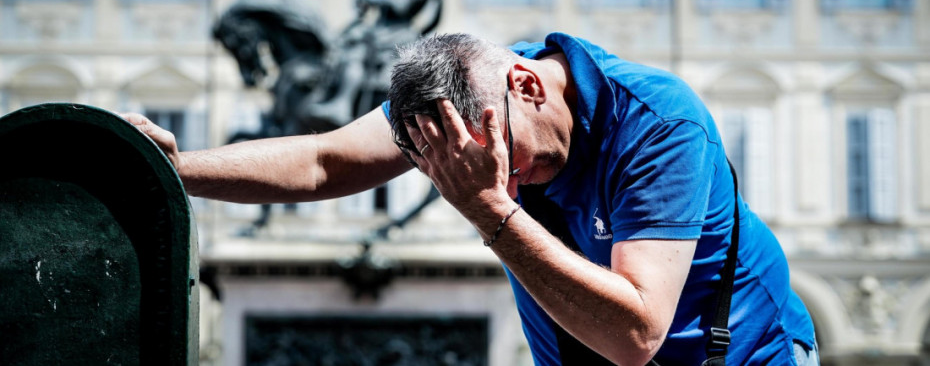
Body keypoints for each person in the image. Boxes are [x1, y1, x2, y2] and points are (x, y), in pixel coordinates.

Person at [124, 32, 818, 365]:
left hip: (742, 354)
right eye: (465, 172)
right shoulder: (461, 107)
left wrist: (488, 209)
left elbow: (636, 332)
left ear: (530, 85)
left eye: (503, 159)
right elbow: (321, 160)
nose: (504, 181)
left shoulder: (659, 123)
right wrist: (178, 167)